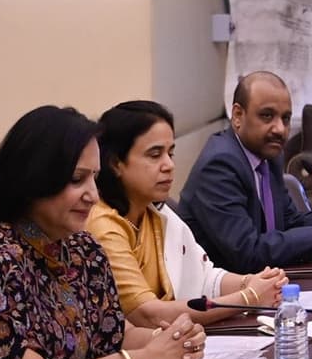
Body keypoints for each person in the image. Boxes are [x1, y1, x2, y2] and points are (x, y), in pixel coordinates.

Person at [0, 105, 204, 359]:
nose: (93, 195)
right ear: (33, 179)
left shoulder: (82, 249)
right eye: (78, 179)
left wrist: (173, 340)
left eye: (95, 178)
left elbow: (114, 335)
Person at [88, 100, 289, 327]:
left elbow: (204, 278)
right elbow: (147, 314)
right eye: (155, 155)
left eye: (170, 154)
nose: (168, 165)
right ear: (116, 163)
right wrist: (249, 297)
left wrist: (254, 282)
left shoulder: (156, 212)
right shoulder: (103, 225)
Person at [179, 71, 312, 273]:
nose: (279, 129)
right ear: (237, 116)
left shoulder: (268, 156)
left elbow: (288, 221)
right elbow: (248, 252)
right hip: (225, 286)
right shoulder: (219, 166)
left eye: (285, 118)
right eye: (267, 116)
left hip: (263, 280)